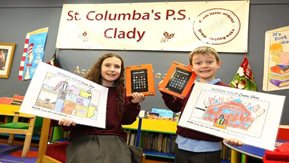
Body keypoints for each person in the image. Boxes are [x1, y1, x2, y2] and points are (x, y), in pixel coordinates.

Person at [58, 53, 145, 163]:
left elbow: (127, 121)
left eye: (117, 67)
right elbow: (68, 122)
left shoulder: (124, 93)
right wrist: (66, 121)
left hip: (113, 138)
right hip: (84, 137)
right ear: (100, 67)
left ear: (121, 71)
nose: (112, 69)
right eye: (107, 65)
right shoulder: (82, 89)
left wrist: (133, 104)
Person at [159, 46, 242, 163]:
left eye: (209, 62)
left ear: (218, 64)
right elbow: (176, 107)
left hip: (208, 149)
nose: (204, 66)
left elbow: (230, 117)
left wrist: (233, 134)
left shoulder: (226, 91)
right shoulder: (188, 87)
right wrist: (166, 93)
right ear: (191, 67)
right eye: (198, 63)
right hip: (181, 146)